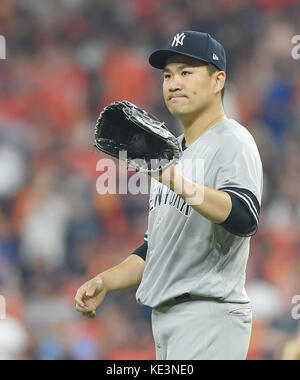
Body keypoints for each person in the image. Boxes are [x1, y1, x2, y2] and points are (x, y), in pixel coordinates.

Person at [75, 31, 263, 360]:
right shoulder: (171, 154)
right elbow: (153, 250)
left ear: (218, 80)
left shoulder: (233, 140)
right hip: (167, 320)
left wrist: (173, 178)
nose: (174, 83)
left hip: (209, 316)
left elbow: (244, 217)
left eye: (186, 72)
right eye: (167, 75)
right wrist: (104, 281)